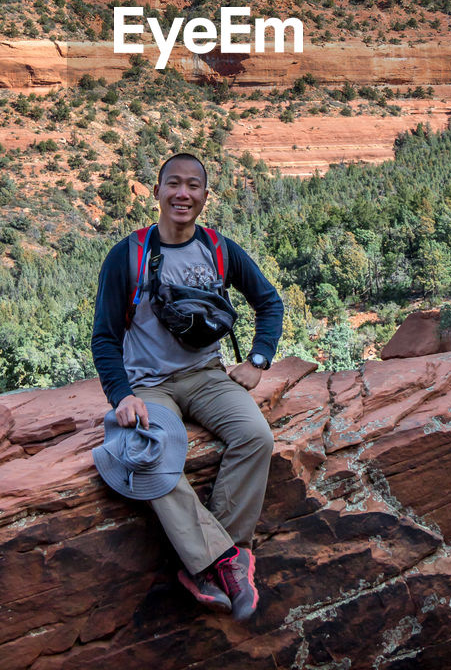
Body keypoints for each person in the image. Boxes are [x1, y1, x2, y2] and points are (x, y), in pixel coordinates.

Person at [91, 152, 284, 620]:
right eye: (173, 184)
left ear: (203, 196)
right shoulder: (128, 255)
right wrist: (123, 396)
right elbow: (104, 336)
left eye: (193, 186)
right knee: (151, 454)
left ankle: (223, 561)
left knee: (256, 437)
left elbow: (269, 302)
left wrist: (257, 360)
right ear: (156, 192)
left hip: (207, 376)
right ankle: (218, 562)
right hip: (149, 385)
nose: (183, 194)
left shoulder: (219, 248)